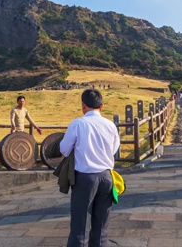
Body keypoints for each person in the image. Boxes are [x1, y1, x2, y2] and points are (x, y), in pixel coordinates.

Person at [60, 89, 120, 247]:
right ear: (101, 106)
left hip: (85, 178)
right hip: (107, 177)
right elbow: (114, 149)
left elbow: (64, 149)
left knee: (79, 225)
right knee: (101, 226)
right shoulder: (110, 125)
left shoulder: (78, 124)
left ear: (83, 105)